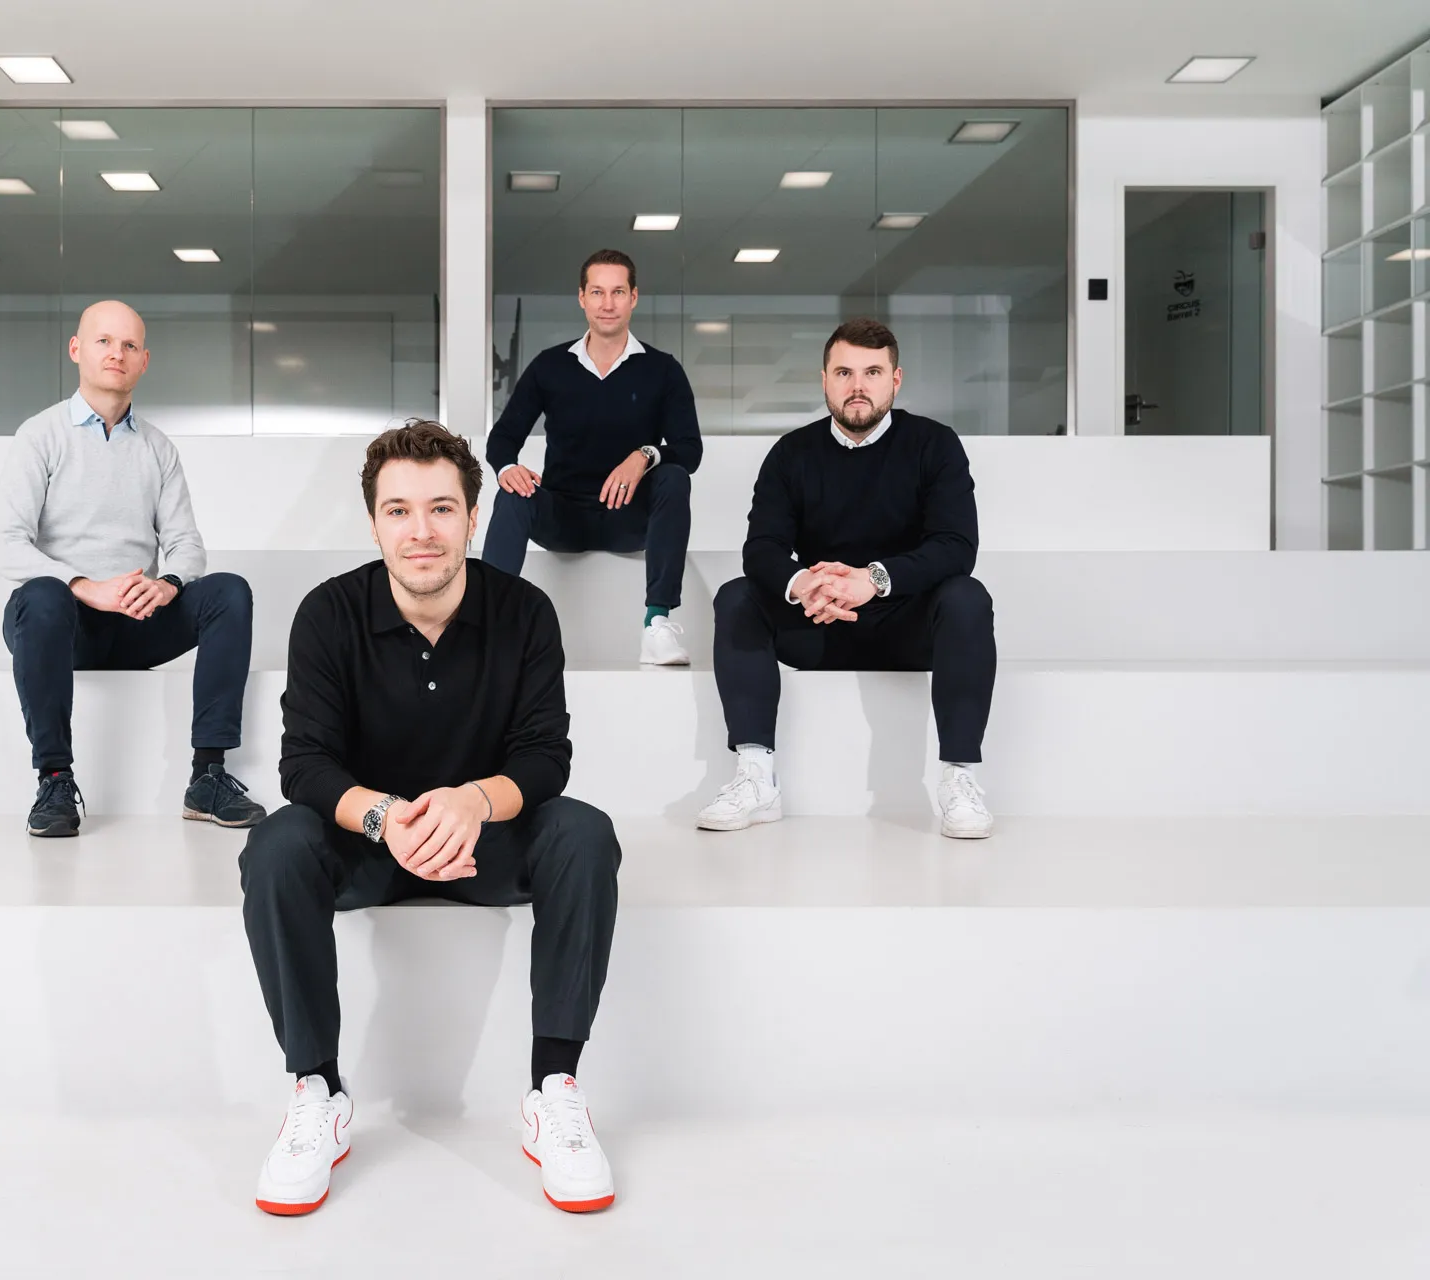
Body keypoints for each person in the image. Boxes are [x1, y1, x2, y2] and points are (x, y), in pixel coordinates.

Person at [239, 421, 622, 1216]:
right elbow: (304, 766)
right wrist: (386, 818)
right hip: (370, 845)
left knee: (583, 831)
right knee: (276, 843)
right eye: (400, 511)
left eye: (442, 509)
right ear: (373, 521)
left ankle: (554, 1089)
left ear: (473, 517)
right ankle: (318, 1091)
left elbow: (546, 757)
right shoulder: (328, 613)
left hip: (489, 843)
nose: (421, 531)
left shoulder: (523, 611)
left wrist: (470, 803)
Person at [697, 318, 997, 839]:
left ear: (895, 380)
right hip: (820, 624)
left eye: (872, 372)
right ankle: (756, 778)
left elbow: (956, 546)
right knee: (738, 596)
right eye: (844, 372)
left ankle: (959, 781)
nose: (858, 385)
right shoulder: (792, 453)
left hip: (906, 625)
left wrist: (873, 578)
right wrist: (804, 584)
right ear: (825, 380)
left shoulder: (934, 444)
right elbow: (762, 548)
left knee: (967, 597)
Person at [0, 300, 266, 837]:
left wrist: (165, 586)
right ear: (76, 350)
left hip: (137, 622)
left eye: (130, 345)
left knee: (229, 591)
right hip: (59, 624)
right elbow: (5, 543)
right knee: (44, 594)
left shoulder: (158, 449)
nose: (116, 353)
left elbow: (187, 545)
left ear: (144, 361)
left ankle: (207, 777)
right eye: (103, 341)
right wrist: (85, 587)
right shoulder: (40, 436)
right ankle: (54, 781)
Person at [483, 248, 702, 666]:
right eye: (597, 292)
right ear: (581, 298)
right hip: (563, 517)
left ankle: (657, 625)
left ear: (634, 297)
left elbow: (689, 450)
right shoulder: (550, 367)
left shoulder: (662, 370)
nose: (607, 303)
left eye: (618, 291)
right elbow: (503, 439)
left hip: (629, 519)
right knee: (511, 493)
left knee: (675, 478)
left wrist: (645, 454)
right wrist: (508, 469)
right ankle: (488, 626)